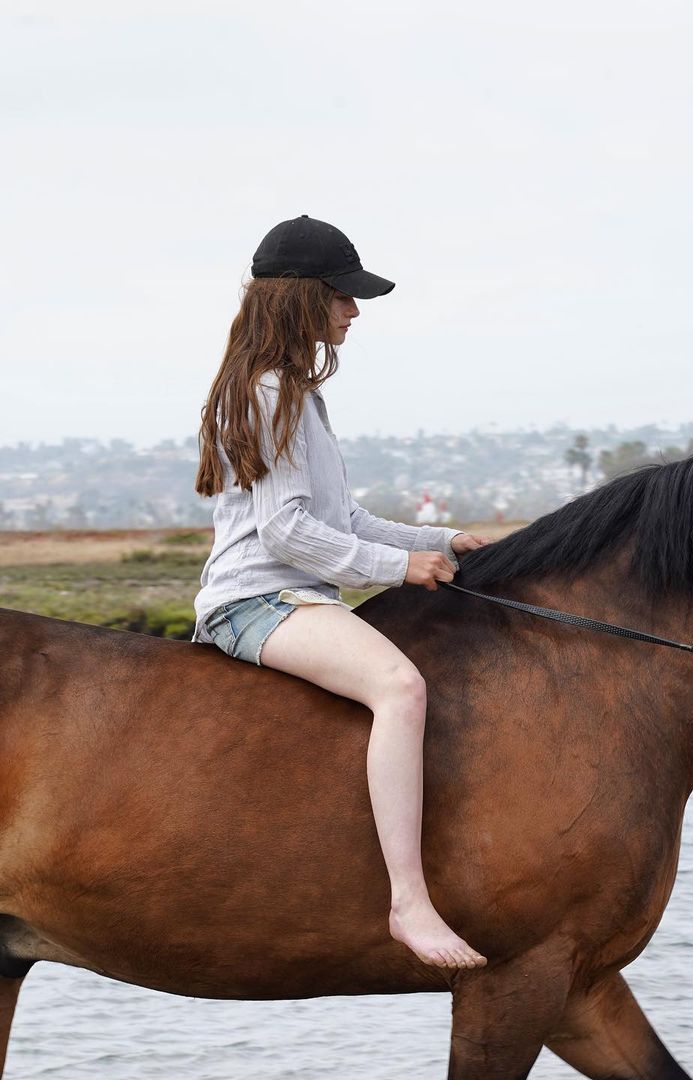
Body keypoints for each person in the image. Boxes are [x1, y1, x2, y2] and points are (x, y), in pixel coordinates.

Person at [191, 214, 487, 970]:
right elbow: (286, 533)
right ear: (301, 299)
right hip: (258, 600)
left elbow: (343, 519)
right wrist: (398, 571)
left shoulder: (296, 395)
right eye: (343, 297)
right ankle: (409, 903)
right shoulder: (267, 394)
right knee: (400, 687)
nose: (354, 311)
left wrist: (442, 541)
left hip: (299, 595)